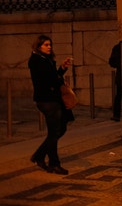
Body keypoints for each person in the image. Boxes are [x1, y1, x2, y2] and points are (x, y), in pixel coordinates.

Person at [28, 35, 73, 175]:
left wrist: (62, 68)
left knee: (60, 129)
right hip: (47, 100)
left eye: (50, 44)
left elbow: (54, 76)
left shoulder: (46, 59)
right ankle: (54, 163)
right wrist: (59, 79)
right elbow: (50, 80)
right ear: (39, 46)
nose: (49, 47)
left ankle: (39, 156)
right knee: (54, 132)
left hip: (53, 98)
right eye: (46, 45)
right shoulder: (36, 61)